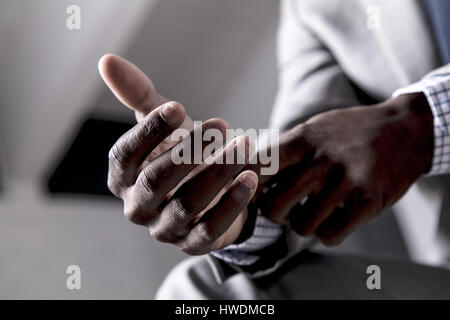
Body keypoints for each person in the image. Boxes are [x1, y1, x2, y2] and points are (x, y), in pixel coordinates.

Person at [99, 0, 450, 299]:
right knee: (200, 295)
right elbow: (305, 162)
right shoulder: (311, 10)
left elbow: (399, 132)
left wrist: (423, 124)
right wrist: (238, 205)